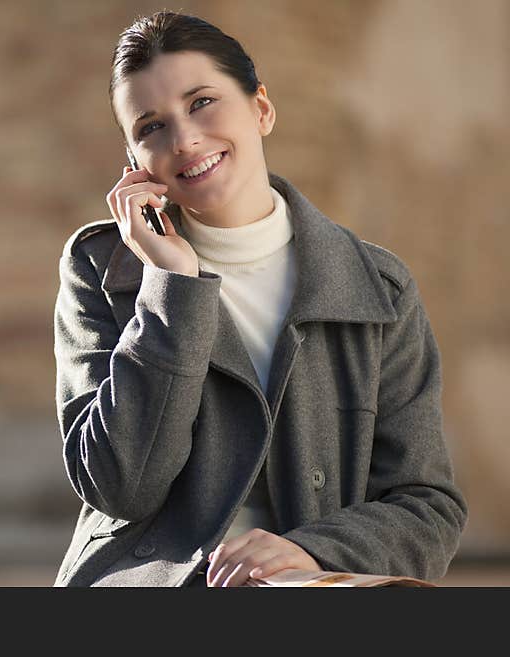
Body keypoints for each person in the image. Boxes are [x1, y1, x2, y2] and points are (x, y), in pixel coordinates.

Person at [52, 10, 467, 587]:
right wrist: (173, 289)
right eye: (151, 127)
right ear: (134, 165)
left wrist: (313, 551)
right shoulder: (102, 270)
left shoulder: (379, 287)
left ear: (261, 109)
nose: (185, 138)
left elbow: (427, 504)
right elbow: (120, 486)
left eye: (202, 102)